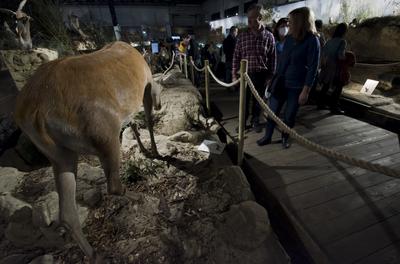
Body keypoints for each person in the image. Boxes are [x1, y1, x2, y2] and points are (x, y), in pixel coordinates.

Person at [257, 7, 320, 148]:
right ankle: (267, 136)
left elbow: (313, 68)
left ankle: (285, 137)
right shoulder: (289, 39)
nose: (288, 24)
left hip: (297, 86)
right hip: (281, 82)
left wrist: (306, 91)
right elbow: (282, 62)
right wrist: (273, 80)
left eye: (291, 21)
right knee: (272, 112)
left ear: (300, 22)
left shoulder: (312, 41)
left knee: (289, 115)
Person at [232, 4, 276, 133]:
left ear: (260, 17)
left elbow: (273, 57)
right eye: (248, 18)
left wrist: (270, 76)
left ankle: (255, 121)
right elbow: (236, 56)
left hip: (261, 74)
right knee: (244, 101)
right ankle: (242, 122)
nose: (249, 21)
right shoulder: (242, 36)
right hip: (245, 75)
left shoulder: (269, 36)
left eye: (252, 18)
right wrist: (234, 75)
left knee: (259, 99)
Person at [318, 23, 351, 114]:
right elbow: (340, 56)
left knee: (325, 86)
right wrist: (347, 58)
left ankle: (320, 104)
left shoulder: (329, 41)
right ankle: (334, 107)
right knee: (338, 87)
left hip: (326, 67)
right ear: (344, 31)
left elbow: (323, 52)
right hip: (335, 68)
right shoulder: (342, 41)